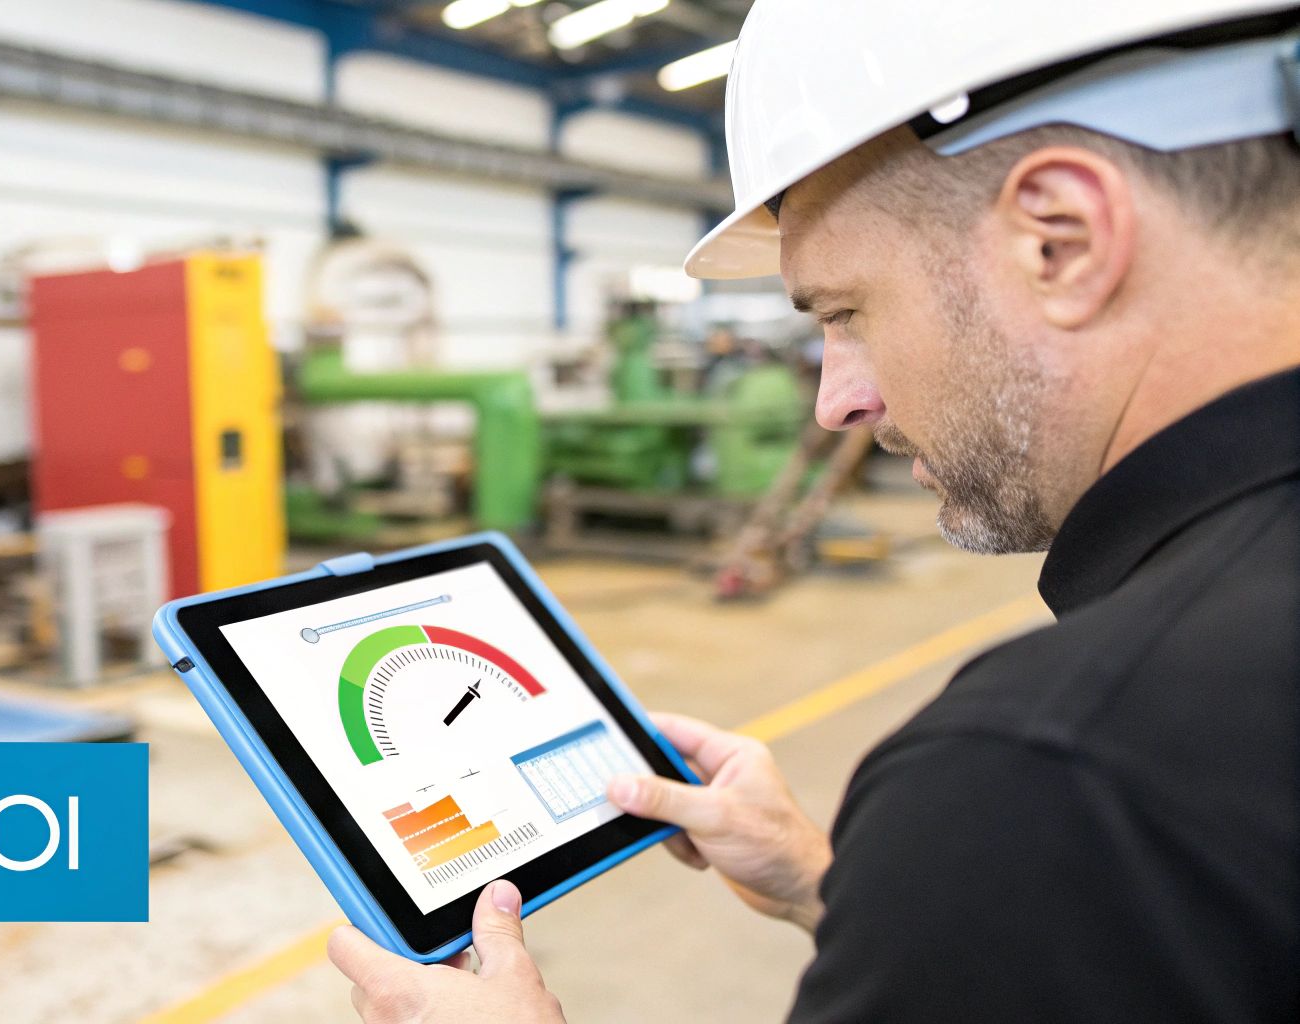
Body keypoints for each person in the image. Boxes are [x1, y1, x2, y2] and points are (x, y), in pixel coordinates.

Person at [328, 1, 1300, 1019]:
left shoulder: (1046, 775)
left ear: (1058, 239)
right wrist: (837, 886)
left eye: (843, 312)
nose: (836, 399)